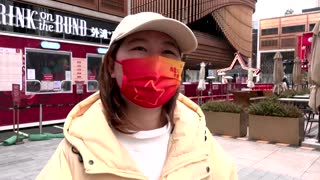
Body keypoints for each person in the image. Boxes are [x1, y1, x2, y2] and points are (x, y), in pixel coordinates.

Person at [36, 12, 237, 180]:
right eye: (139, 48)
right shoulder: (76, 150)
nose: (156, 62)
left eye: (168, 51)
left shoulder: (200, 138)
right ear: (112, 66)